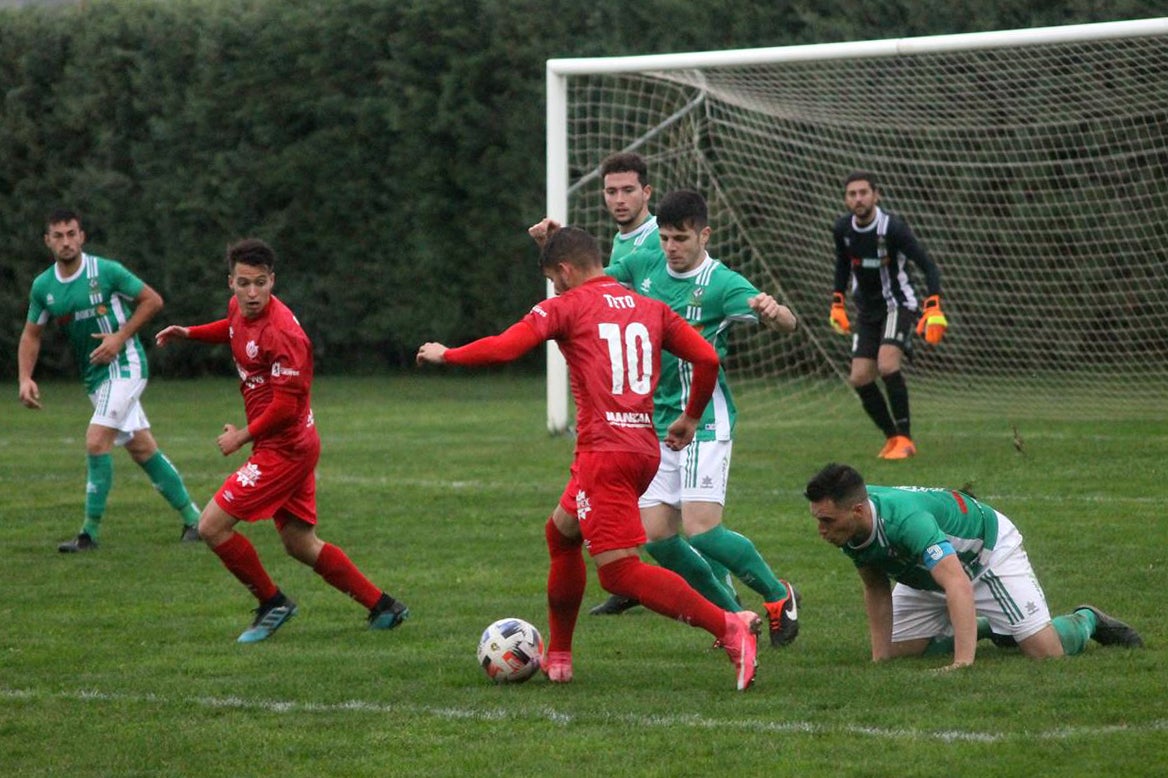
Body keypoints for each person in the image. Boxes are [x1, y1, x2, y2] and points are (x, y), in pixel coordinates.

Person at [417, 226, 762, 691]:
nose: (555, 289)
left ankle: (728, 626)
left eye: (555, 281)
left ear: (564, 271)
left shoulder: (565, 306)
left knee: (620, 571)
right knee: (561, 533)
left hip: (606, 454)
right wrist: (690, 418)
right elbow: (707, 358)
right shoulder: (651, 307)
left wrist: (448, 354)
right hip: (643, 448)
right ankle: (558, 654)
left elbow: (506, 346)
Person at [531, 173, 801, 649]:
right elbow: (589, 279)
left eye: (681, 239)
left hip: (704, 421)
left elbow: (787, 323)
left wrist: (774, 311)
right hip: (652, 423)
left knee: (701, 529)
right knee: (656, 539)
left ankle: (779, 595)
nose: (671, 247)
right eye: (666, 237)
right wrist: (556, 246)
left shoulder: (721, 283)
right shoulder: (647, 261)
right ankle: (730, 615)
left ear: (704, 236)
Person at [154, 238, 408, 643]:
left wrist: (240, 436)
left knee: (211, 527)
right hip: (292, 444)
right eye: (243, 283)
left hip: (285, 448)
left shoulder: (285, 334)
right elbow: (235, 330)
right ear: (231, 283)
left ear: (272, 280)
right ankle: (383, 606)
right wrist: (190, 333)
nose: (252, 293)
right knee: (299, 543)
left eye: (260, 283)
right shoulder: (240, 308)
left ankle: (273, 603)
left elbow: (285, 408)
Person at [803, 463, 1143, 670]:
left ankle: (1087, 620)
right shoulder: (849, 526)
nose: (821, 531)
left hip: (985, 558)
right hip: (929, 572)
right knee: (895, 653)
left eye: (827, 521)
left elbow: (958, 583)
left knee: (1045, 652)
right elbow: (875, 586)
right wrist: (880, 659)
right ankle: (985, 626)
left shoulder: (906, 519)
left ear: (858, 511)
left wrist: (962, 662)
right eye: (818, 520)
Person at [18, 208, 202, 552]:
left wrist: (119, 337)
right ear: (48, 242)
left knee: (95, 441)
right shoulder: (44, 286)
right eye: (58, 236)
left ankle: (89, 533)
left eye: (72, 233)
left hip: (126, 365)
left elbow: (152, 300)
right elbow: (31, 334)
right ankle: (196, 520)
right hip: (95, 376)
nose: (66, 241)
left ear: (82, 236)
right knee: (142, 447)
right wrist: (25, 377)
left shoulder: (106, 271)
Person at [829, 171, 948, 460]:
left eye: (863, 193)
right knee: (859, 377)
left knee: (887, 364)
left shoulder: (892, 228)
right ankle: (892, 437)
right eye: (852, 194)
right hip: (867, 311)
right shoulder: (843, 229)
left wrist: (933, 307)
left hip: (898, 304)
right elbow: (843, 266)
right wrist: (837, 302)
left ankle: (906, 439)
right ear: (846, 199)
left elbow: (928, 266)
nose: (858, 198)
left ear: (875, 195)